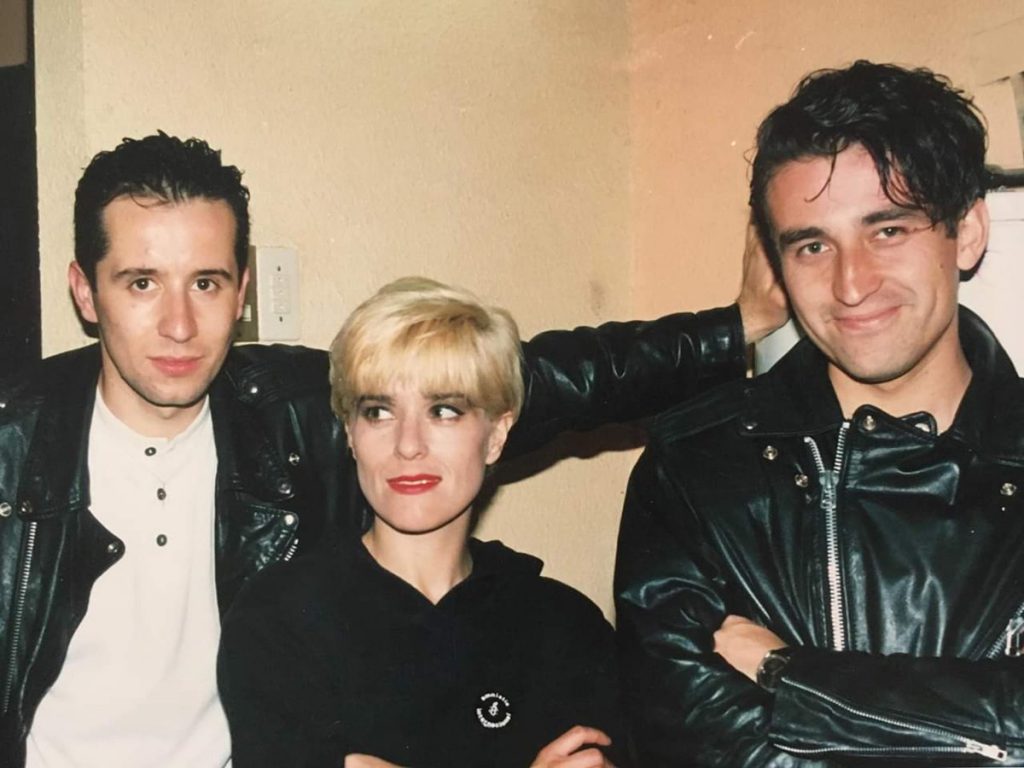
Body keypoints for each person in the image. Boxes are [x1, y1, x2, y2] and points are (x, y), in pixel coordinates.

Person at [0, 131, 784, 766]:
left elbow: (532, 380)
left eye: (205, 283)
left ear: (241, 294)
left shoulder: (293, 416)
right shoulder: (13, 450)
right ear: (84, 291)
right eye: (141, 283)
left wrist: (738, 326)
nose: (178, 324)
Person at [615, 60, 1024, 767]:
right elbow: (703, 749)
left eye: (887, 230)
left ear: (967, 232)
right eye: (812, 245)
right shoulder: (695, 474)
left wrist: (789, 674)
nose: (851, 284)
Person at [219, 277, 629, 768]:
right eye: (378, 412)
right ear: (350, 433)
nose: (408, 445)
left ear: (497, 434)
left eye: (444, 410)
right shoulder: (281, 619)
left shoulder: (563, 624)